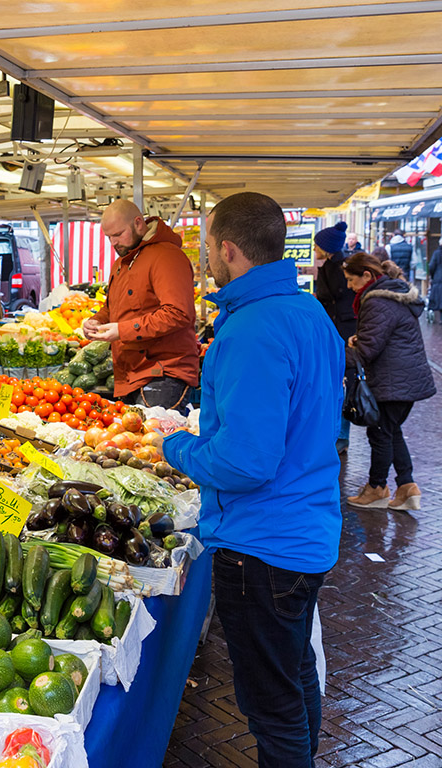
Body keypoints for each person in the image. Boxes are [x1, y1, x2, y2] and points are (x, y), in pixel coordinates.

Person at [159, 192, 344, 767]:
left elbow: (244, 463)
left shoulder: (251, 331)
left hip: (262, 547)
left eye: (209, 246)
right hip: (304, 531)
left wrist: (178, 448)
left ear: (229, 250)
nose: (207, 258)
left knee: (271, 705)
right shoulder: (308, 312)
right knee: (292, 677)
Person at [81, 199, 198, 411]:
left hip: (164, 373)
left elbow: (178, 313)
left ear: (138, 223)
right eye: (109, 237)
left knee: (153, 441)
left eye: (118, 234)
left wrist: (122, 330)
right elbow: (112, 307)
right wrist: (95, 321)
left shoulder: (167, 256)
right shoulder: (121, 263)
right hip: (129, 374)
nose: (113, 243)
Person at [342, 252, 435, 511]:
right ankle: (407, 487)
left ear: (367, 276)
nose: (349, 286)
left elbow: (367, 351)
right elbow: (385, 337)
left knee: (380, 433)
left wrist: (336, 351)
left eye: (351, 280)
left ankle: (377, 489)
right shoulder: (389, 296)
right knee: (391, 432)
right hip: (404, 378)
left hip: (393, 381)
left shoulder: (377, 301)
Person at [313, 221, 357, 455]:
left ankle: (341, 435)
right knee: (337, 381)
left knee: (342, 382)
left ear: (327, 247)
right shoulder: (333, 265)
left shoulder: (338, 268)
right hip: (338, 328)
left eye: (317, 245)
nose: (314, 249)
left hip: (342, 330)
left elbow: (331, 298)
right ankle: (336, 434)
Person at [428, 242, 442, 324]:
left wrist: (433, 276)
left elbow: (431, 266)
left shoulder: (436, 253)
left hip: (438, 277)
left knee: (438, 297)